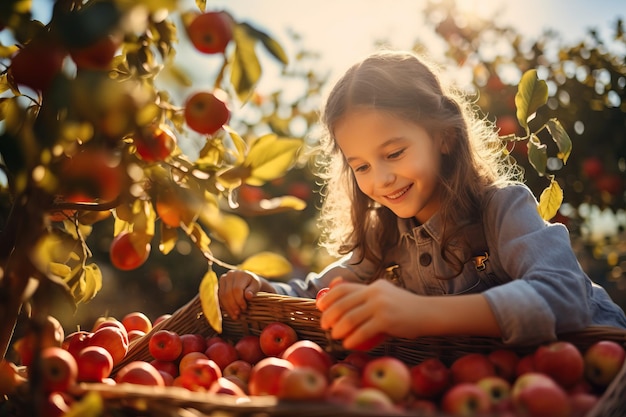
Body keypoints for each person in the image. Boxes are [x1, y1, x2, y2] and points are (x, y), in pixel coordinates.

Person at [218, 49, 626, 349]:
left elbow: (565, 298)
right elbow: (314, 292)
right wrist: (260, 287)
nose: (381, 179)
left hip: (604, 365)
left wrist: (420, 315)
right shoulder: (384, 240)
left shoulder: (502, 208)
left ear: (444, 137)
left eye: (394, 153)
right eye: (360, 166)